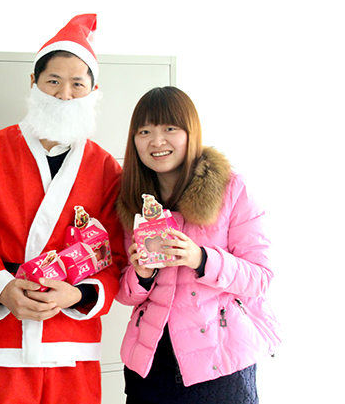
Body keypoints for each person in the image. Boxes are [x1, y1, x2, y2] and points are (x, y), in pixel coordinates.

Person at [0, 14, 127, 404]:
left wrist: (76, 295)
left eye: (77, 84)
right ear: (33, 82)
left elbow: (115, 257)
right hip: (0, 337)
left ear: (93, 91)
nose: (65, 95)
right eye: (53, 81)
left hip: (72, 341)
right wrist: (4, 289)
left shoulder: (106, 168)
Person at [115, 86, 281, 404]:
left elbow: (260, 278)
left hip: (219, 364)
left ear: (191, 132)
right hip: (151, 366)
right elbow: (124, 294)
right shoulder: (132, 200)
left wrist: (200, 258)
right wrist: (142, 274)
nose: (157, 141)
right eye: (145, 131)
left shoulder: (232, 189)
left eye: (170, 129)